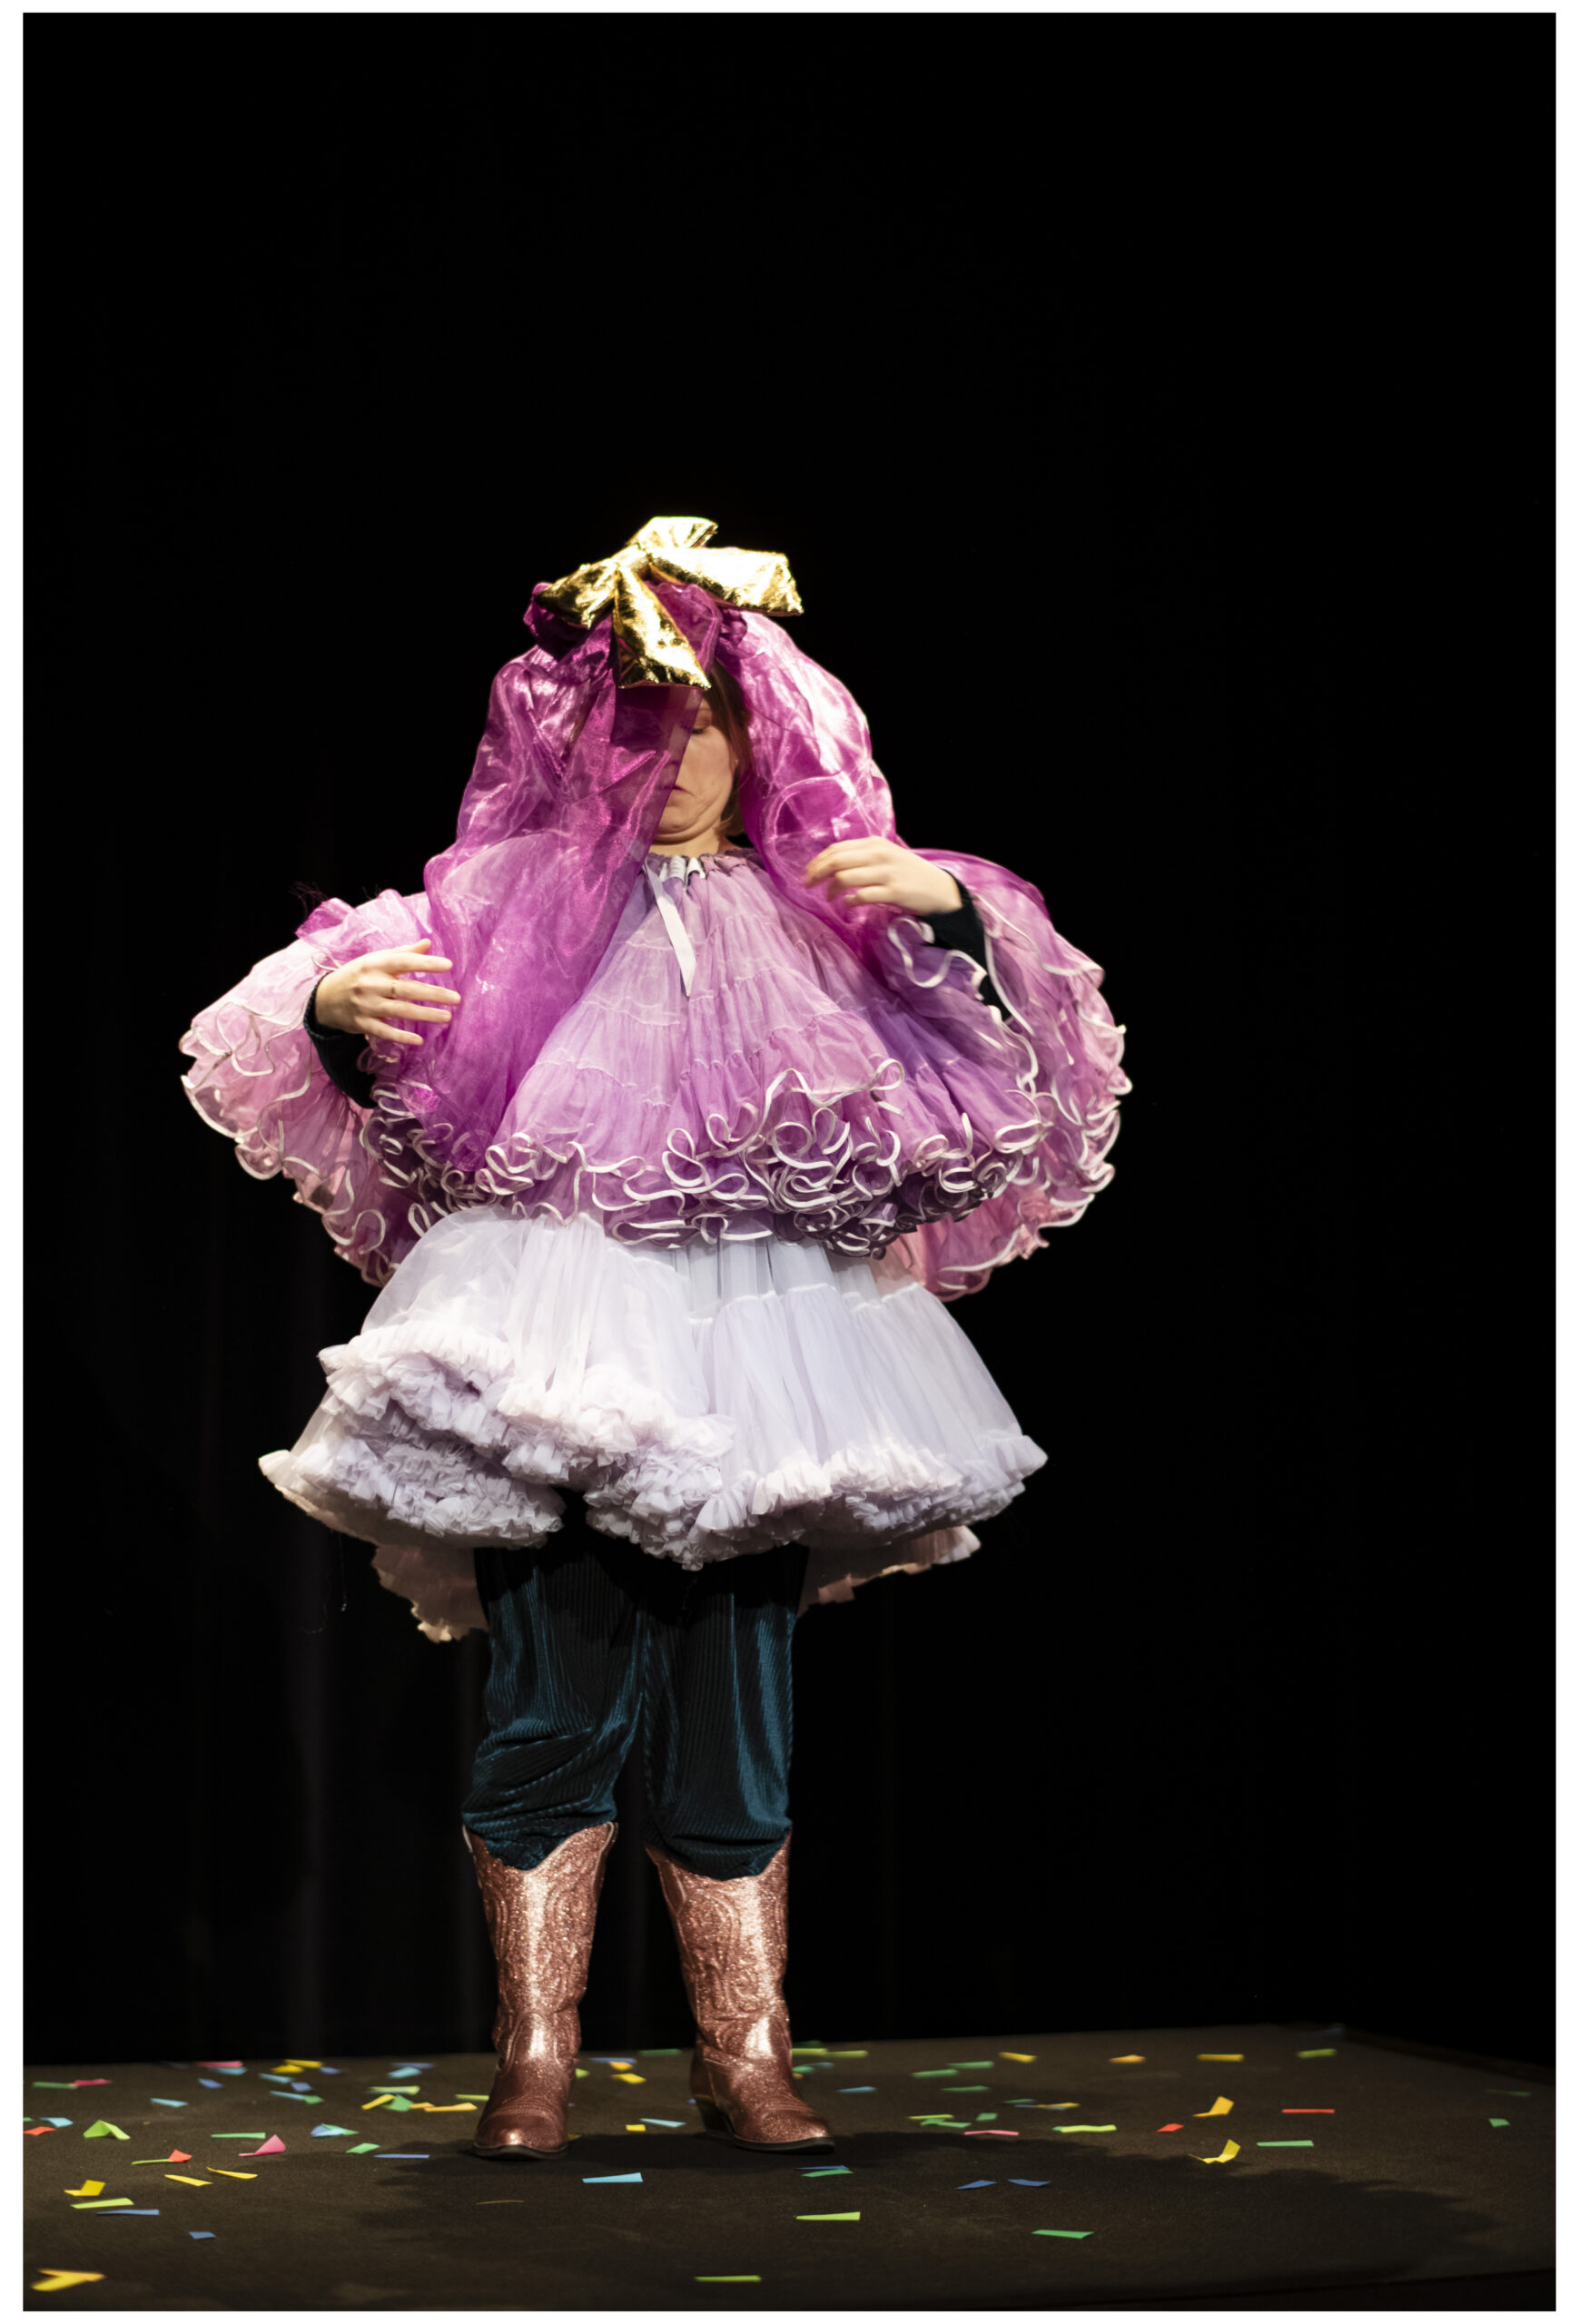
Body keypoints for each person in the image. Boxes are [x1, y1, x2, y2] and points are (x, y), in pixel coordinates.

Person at [180, 518, 1130, 2164]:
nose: (676, 758)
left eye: (708, 725)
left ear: (760, 737)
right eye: (643, 723)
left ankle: (744, 2054)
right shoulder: (520, 902)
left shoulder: (814, 913)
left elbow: (1004, 1073)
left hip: (762, 1345)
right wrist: (330, 1014)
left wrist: (955, 909)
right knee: (556, 1691)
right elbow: (328, 994)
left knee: (736, 1709)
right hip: (563, 1345)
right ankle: (535, 2057)